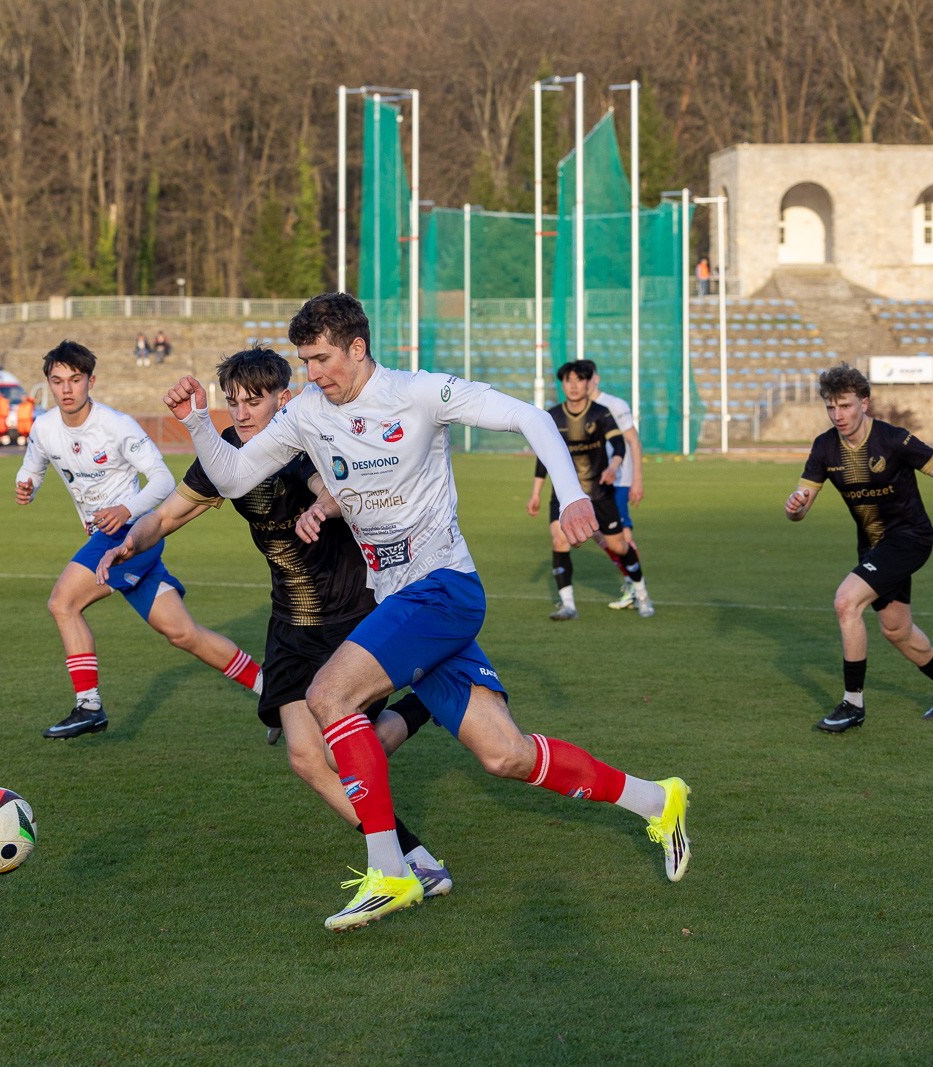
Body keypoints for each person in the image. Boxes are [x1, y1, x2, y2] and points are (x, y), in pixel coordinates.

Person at [165, 292, 690, 932]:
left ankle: (390, 871)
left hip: (443, 586)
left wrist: (573, 494)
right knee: (505, 755)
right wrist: (197, 423)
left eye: (323, 359)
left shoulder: (420, 393)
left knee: (329, 694)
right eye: (305, 362)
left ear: (358, 348)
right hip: (400, 601)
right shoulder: (306, 412)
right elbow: (235, 477)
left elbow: (530, 417)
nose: (314, 374)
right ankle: (658, 800)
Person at [97, 346, 452, 897]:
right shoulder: (227, 455)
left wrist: (322, 505)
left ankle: (423, 706)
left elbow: (331, 488)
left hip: (351, 615)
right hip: (289, 623)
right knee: (308, 759)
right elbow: (168, 514)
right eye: (233, 401)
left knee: (344, 755)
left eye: (253, 401)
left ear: (282, 400)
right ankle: (412, 859)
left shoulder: (302, 442)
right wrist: (129, 542)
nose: (241, 413)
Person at [15, 340, 264, 739]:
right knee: (184, 634)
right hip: (111, 539)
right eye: (57, 381)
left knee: (63, 603)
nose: (66, 389)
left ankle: (89, 706)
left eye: (75, 380)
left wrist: (126, 510)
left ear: (90, 381)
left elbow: (164, 479)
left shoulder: (117, 426)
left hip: (130, 533)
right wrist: (25, 484)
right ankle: (274, 690)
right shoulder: (44, 427)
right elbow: (33, 467)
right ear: (47, 383)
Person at [784, 363, 933, 734]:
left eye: (846, 406)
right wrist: (795, 506)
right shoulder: (825, 447)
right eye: (831, 407)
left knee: (846, 601)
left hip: (910, 538)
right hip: (872, 546)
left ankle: (853, 704)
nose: (838, 415)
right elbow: (800, 509)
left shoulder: (892, 440)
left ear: (865, 403)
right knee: (896, 630)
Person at [526, 360, 653, 621]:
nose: (573, 386)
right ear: (562, 384)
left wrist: (614, 466)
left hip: (599, 492)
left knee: (618, 546)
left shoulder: (601, 413)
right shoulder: (553, 417)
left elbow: (619, 444)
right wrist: (536, 492)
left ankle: (641, 593)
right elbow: (544, 456)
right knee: (559, 539)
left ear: (589, 383)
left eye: (579, 380)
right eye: (568, 380)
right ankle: (568, 605)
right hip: (565, 494)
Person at [589, 366, 653, 616]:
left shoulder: (614, 404)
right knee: (595, 531)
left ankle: (639, 591)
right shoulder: (578, 410)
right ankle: (630, 582)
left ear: (596, 379)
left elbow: (633, 440)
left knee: (623, 535)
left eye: (587, 378)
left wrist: (637, 478)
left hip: (618, 480)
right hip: (593, 482)